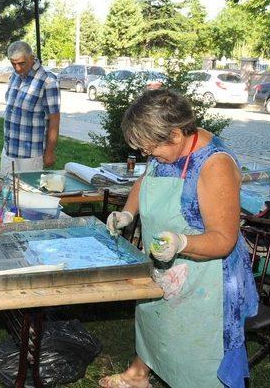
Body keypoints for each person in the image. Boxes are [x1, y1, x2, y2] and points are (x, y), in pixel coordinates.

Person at [101, 89, 258, 388]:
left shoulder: (215, 165)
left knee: (199, 355)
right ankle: (139, 375)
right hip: (166, 269)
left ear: (175, 134)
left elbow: (224, 240)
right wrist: (128, 213)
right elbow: (147, 178)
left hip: (208, 283)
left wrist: (182, 243)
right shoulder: (170, 148)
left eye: (151, 149)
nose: (150, 156)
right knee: (155, 322)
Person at [0, 40, 60, 176]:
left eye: (21, 63)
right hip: (9, 150)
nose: (17, 68)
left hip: (31, 154)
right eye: (13, 64)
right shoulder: (14, 76)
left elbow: (54, 119)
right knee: (5, 192)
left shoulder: (48, 81)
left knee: (28, 195)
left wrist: (50, 152)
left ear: (32, 58)